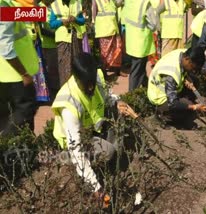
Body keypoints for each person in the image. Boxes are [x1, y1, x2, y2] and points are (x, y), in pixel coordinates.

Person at [52, 53, 129, 204]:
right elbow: (76, 147)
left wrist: (117, 102)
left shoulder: (96, 77)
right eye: (86, 85)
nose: (91, 88)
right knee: (107, 151)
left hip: (93, 128)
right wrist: (96, 188)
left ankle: (112, 161)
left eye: (92, 83)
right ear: (76, 78)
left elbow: (106, 97)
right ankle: (66, 159)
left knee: (117, 116)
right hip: (74, 143)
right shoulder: (68, 102)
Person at [0, 0, 39, 137]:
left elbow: (36, 14)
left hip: (8, 74)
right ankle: (21, 151)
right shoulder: (4, 5)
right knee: (23, 117)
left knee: (6, 117)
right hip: (15, 76)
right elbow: (6, 47)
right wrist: (25, 74)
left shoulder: (10, 3)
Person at [147, 48, 206, 129]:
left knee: (195, 81)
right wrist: (193, 107)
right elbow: (173, 104)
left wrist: (186, 76)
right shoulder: (171, 74)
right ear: (187, 59)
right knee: (188, 111)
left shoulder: (183, 53)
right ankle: (162, 116)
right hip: (160, 97)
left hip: (170, 89)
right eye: (192, 67)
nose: (193, 70)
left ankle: (185, 103)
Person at [123, 0, 159, 91]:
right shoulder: (145, 3)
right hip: (141, 42)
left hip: (131, 40)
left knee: (140, 69)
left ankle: (147, 89)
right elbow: (153, 24)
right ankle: (131, 96)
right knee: (136, 71)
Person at [49, 0, 86, 86]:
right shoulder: (55, 4)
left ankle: (76, 86)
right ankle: (65, 88)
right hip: (63, 39)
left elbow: (82, 21)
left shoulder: (76, 3)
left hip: (75, 38)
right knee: (64, 65)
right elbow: (51, 24)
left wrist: (75, 19)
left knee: (76, 63)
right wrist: (61, 22)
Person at [92, 0, 123, 77]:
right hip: (103, 31)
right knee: (104, 54)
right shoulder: (96, 1)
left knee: (117, 50)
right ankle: (104, 74)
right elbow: (93, 16)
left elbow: (118, 5)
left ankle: (117, 70)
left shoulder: (112, 1)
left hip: (114, 29)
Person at [39, 0, 60, 100]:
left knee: (57, 68)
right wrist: (56, 35)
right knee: (51, 70)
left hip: (59, 42)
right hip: (47, 44)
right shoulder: (39, 7)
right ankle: (53, 92)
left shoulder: (55, 5)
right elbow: (41, 29)